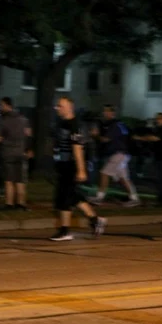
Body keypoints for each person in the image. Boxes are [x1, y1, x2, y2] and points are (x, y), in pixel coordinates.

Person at [51, 97, 107, 241]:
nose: (57, 108)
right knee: (72, 196)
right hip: (63, 165)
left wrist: (81, 170)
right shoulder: (62, 123)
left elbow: (78, 149)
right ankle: (95, 220)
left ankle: (65, 231)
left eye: (60, 106)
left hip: (72, 165)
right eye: (57, 106)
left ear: (70, 107)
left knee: (65, 197)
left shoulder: (75, 125)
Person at [0, 97, 32, 210]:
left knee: (9, 180)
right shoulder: (23, 119)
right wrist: (29, 149)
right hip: (21, 153)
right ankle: (21, 203)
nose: (0, 108)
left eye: (1, 105)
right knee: (20, 180)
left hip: (7, 153)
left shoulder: (3, 121)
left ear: (7, 105)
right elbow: (28, 135)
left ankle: (9, 203)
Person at [88, 105, 140, 207]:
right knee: (123, 177)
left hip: (118, 154)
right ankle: (134, 199)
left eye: (107, 111)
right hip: (123, 154)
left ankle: (99, 198)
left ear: (113, 113)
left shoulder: (114, 126)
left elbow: (106, 139)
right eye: (104, 111)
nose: (104, 113)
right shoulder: (120, 124)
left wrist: (95, 135)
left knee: (104, 173)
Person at [133, 113, 162, 206]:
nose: (158, 120)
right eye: (157, 118)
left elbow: (155, 138)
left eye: (160, 118)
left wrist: (140, 138)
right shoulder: (159, 129)